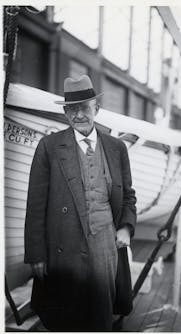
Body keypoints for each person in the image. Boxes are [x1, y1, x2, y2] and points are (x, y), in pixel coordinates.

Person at [24, 75, 137, 331]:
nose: (78, 115)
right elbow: (35, 205)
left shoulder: (117, 148)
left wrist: (126, 228)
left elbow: (128, 195)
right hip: (65, 248)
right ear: (65, 112)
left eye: (84, 108)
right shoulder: (49, 147)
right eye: (71, 109)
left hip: (106, 246)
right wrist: (37, 256)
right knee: (65, 316)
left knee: (100, 316)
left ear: (96, 109)